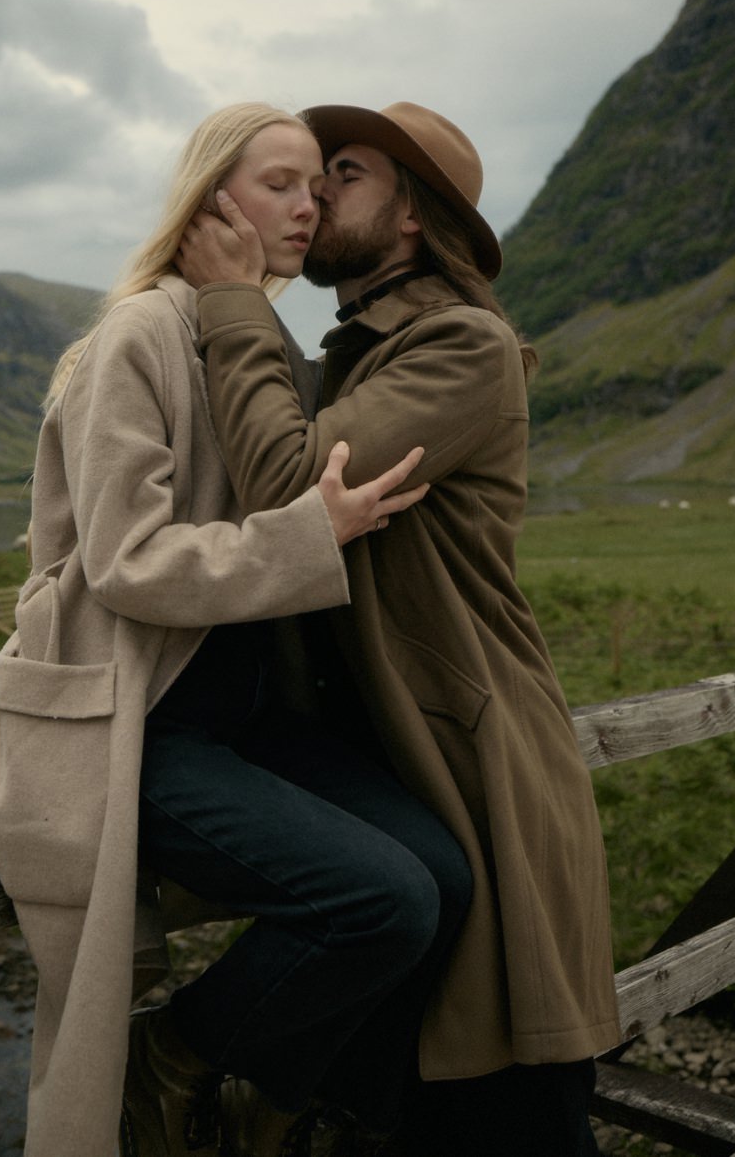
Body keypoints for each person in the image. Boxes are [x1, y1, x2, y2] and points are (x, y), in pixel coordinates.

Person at [0, 103, 431, 1157]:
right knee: (386, 897)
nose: (307, 205)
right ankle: (173, 1063)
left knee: (443, 866)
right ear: (210, 196)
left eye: (317, 185)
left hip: (238, 718)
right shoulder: (141, 334)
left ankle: (275, 1108)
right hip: (135, 723)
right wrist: (314, 535)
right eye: (278, 183)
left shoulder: (246, 329)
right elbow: (128, 562)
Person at [174, 100, 619, 1155]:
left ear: (413, 216)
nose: (317, 191)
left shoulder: (461, 344)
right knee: (407, 1098)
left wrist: (234, 300)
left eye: (348, 172)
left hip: (473, 763)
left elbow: (289, 490)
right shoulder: (364, 349)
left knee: (516, 1099)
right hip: (395, 758)